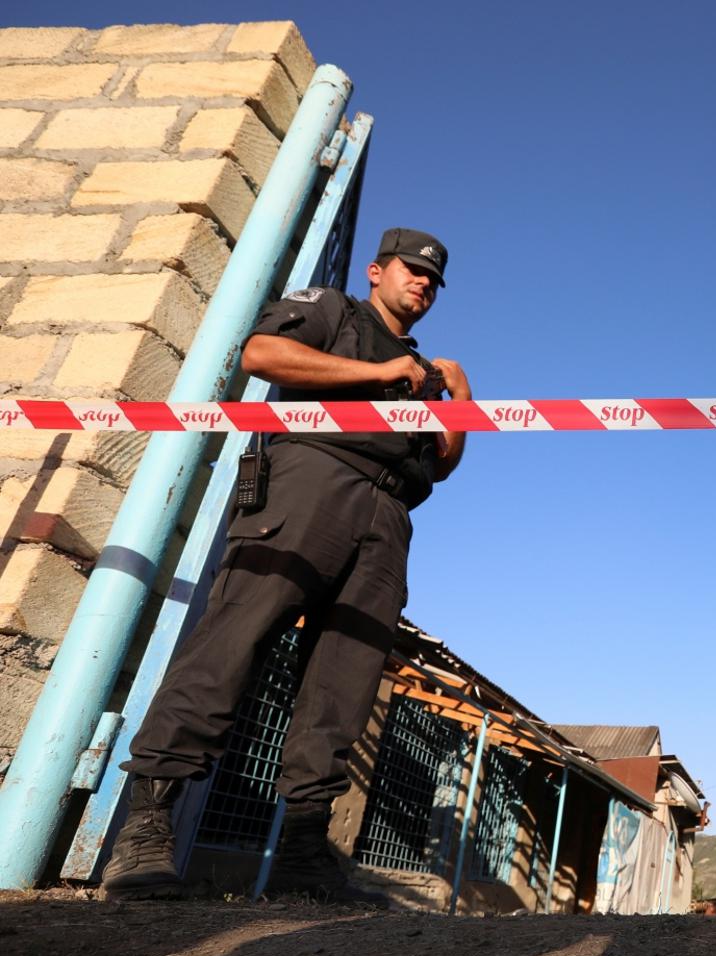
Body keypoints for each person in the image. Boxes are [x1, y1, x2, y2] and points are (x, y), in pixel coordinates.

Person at [99, 228, 470, 904]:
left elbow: (441, 466)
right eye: (410, 271)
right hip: (310, 481)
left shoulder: (430, 370)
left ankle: (304, 851)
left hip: (388, 515)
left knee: (343, 682)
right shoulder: (333, 309)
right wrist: (381, 374)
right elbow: (264, 354)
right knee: (232, 644)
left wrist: (458, 402)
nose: (421, 284)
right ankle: (146, 831)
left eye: (432, 280)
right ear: (376, 271)